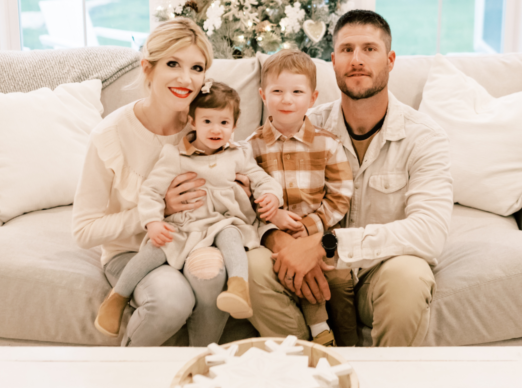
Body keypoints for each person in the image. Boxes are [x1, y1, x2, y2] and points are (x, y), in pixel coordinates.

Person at [247, 10, 453, 347]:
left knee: (410, 276)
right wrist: (279, 240)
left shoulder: (425, 137)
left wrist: (328, 246)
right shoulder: (298, 124)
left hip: (379, 269)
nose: (357, 59)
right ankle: (305, 364)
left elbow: (429, 233)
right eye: (346, 50)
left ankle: (384, 386)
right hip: (306, 275)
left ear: (390, 60)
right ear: (332, 62)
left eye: (369, 49)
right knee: (253, 264)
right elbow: (247, 187)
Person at [72, 18, 247, 347]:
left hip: (196, 240)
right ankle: (124, 379)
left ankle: (199, 369)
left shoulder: (206, 125)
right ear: (147, 69)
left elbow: (238, 169)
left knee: (214, 279)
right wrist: (156, 210)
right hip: (134, 252)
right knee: (171, 301)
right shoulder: (110, 136)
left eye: (197, 68)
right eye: (172, 64)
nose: (186, 78)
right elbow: (83, 232)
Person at [95, 82, 283, 336]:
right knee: (156, 247)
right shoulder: (175, 156)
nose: (216, 129)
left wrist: (270, 195)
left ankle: (238, 289)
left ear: (234, 126)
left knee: (231, 236)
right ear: (192, 122)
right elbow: (151, 191)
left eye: (224, 123)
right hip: (183, 224)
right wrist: (153, 222)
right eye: (207, 121)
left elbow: (261, 179)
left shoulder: (239, 154)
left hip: (222, 221)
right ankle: (116, 299)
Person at [246, 49, 355, 347]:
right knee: (280, 271)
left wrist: (309, 226)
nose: (286, 99)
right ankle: (316, 335)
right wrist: (274, 221)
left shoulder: (327, 144)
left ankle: (350, 347)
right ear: (263, 94)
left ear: (313, 97)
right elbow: (244, 198)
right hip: (273, 237)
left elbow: (340, 195)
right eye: (277, 91)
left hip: (319, 237)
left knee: (339, 278)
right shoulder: (249, 149)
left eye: (297, 91)